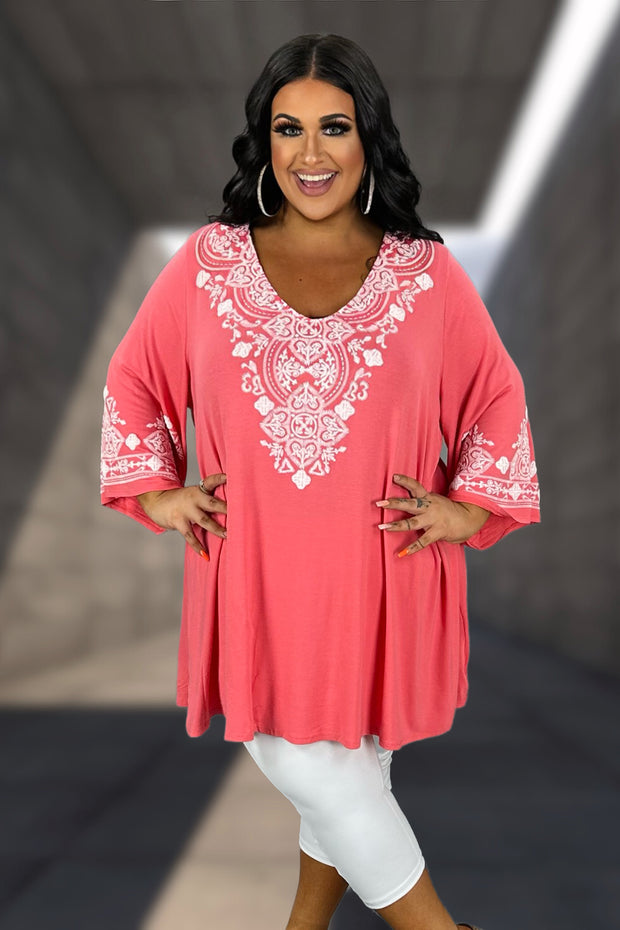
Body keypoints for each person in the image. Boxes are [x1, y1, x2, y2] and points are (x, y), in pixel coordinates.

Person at [99, 33, 540, 930]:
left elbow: (497, 393)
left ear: (368, 136)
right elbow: (134, 380)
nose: (310, 153)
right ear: (263, 141)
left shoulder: (425, 276)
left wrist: (468, 510)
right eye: (287, 128)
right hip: (255, 577)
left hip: (387, 577)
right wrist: (157, 492)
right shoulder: (208, 267)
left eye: (334, 127)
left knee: (350, 777)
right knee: (316, 767)